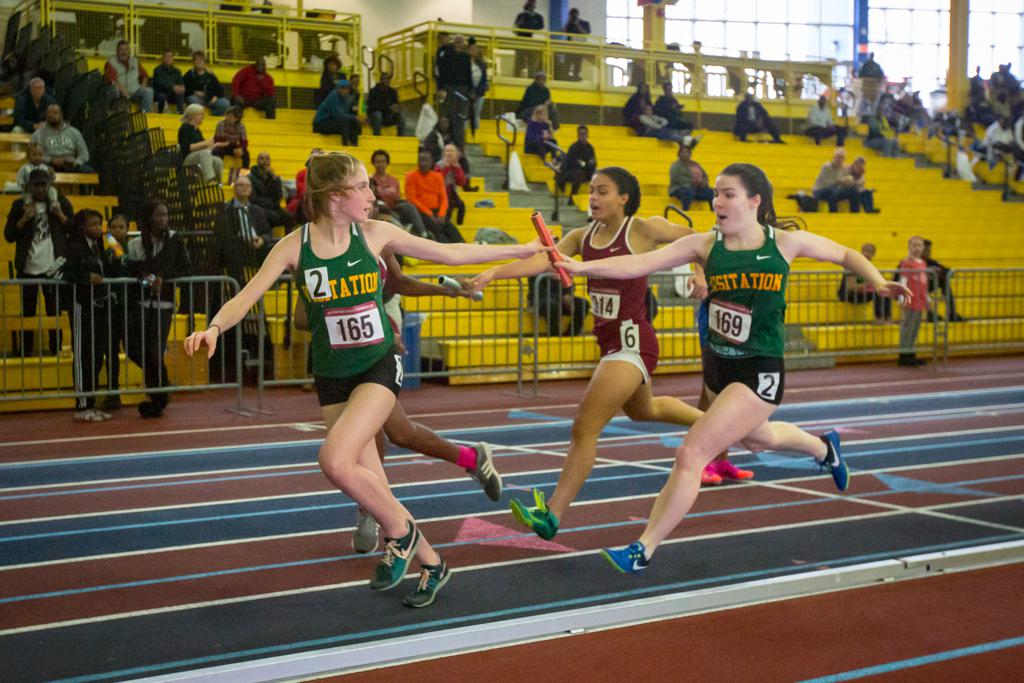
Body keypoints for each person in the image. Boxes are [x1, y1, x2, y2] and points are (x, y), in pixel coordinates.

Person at [183, 151, 542, 608]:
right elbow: (247, 296)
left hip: (377, 364)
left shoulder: (374, 234)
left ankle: (403, 536)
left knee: (334, 460)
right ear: (335, 197)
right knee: (375, 488)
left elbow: (451, 252)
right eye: (363, 187)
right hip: (332, 375)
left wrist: (520, 249)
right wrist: (213, 327)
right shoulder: (294, 246)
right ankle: (432, 562)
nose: (374, 195)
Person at [551, 163, 909, 572]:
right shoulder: (705, 245)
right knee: (758, 440)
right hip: (720, 366)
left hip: (760, 370)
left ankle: (643, 548)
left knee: (692, 453)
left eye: (728, 194)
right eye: (715, 194)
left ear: (754, 201)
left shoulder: (784, 244)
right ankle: (825, 449)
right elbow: (638, 265)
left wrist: (879, 282)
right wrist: (582, 267)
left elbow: (844, 253)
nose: (716, 201)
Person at [472, 167, 712, 540]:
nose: (593, 198)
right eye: (590, 191)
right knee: (643, 410)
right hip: (609, 343)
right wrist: (494, 274)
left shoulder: (642, 229)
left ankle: (552, 514)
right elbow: (541, 261)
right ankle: (720, 426)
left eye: (602, 191)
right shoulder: (581, 236)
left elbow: (699, 239)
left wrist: (700, 273)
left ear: (624, 198)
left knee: (584, 427)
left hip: (632, 342)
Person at [293, 247, 505, 553]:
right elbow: (300, 318)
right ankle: (472, 459)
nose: (367, 201)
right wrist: (330, 300)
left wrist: (444, 292)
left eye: (369, 198)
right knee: (400, 432)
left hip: (375, 348)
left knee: (379, 434)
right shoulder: (309, 248)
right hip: (338, 359)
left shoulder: (379, 236)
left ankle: (373, 511)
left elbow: (398, 283)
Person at [126, 198, 192, 417]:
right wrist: (148, 279)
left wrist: (164, 278)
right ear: (149, 217)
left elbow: (184, 269)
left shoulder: (175, 240)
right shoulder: (135, 243)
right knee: (136, 349)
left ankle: (158, 397)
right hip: (140, 303)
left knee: (154, 350)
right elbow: (132, 271)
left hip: (164, 303)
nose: (163, 219)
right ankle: (161, 386)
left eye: (165, 214)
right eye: (158, 215)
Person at [4, 169, 72, 356]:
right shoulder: (19, 205)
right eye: (37, 185)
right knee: (27, 311)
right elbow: (9, 235)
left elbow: (74, 229)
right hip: (27, 267)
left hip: (53, 267)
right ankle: (26, 351)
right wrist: (24, 219)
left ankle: (55, 349)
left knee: (54, 311)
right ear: (29, 186)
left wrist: (58, 214)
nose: (41, 189)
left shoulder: (60, 203)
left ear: (50, 185)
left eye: (44, 184)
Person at [63, 209, 119, 422]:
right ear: (81, 227)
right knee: (82, 356)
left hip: (99, 308)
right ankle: (81, 405)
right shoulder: (74, 247)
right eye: (94, 224)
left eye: (99, 224)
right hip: (80, 306)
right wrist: (85, 277)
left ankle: (91, 404)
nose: (99, 228)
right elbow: (60, 272)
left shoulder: (99, 247)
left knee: (95, 358)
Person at [102, 213, 130, 410]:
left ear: (128, 229)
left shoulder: (134, 249)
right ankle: (113, 391)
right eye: (114, 227)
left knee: (136, 349)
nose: (117, 230)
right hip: (111, 308)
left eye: (121, 227)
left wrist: (109, 239)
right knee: (110, 351)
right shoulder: (104, 252)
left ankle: (157, 386)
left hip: (130, 307)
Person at [404, 149, 463, 243]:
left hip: (437, 211)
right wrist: (429, 213)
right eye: (421, 160)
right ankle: (445, 247)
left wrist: (442, 213)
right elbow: (412, 199)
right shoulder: (411, 176)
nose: (423, 163)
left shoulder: (438, 176)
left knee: (451, 229)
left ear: (431, 162)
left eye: (426, 160)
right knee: (436, 228)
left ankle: (461, 244)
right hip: (420, 212)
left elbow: (443, 197)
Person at [368, 149, 428, 238]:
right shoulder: (371, 180)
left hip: (393, 205)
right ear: (373, 163)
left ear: (387, 163)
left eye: (383, 161)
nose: (380, 164)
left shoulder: (394, 180)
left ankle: (423, 234)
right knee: (394, 215)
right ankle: (402, 237)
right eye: (377, 161)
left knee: (410, 207)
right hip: (381, 208)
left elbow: (397, 197)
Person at [838, 242, 892, 323]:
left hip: (862, 292)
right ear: (861, 251)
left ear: (873, 254)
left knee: (885, 291)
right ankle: (879, 317)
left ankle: (887, 317)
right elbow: (851, 287)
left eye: (870, 252)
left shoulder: (869, 267)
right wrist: (868, 285)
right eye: (865, 251)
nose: (867, 253)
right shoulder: (852, 265)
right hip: (848, 294)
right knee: (876, 293)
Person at [897, 236, 929, 367]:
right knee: (907, 328)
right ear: (909, 247)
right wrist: (901, 298)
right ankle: (904, 355)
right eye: (914, 245)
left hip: (920, 300)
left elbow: (924, 282)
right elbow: (903, 281)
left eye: (919, 245)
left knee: (915, 328)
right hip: (910, 300)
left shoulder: (922, 262)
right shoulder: (906, 262)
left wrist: (927, 298)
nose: (917, 248)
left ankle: (911, 352)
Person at [31, 104, 92, 173]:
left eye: (55, 113)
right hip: (49, 165)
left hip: (72, 165)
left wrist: (76, 162)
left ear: (61, 115)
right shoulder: (38, 134)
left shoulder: (74, 132)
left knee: (89, 171)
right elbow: (33, 156)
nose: (51, 115)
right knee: (39, 170)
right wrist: (51, 160)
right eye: (48, 113)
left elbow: (84, 153)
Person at [178, 103, 228, 183]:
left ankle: (218, 182)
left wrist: (216, 144)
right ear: (193, 115)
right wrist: (205, 143)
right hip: (187, 158)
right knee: (205, 154)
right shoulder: (185, 128)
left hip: (198, 156)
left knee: (217, 160)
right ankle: (209, 179)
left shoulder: (197, 131)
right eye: (200, 114)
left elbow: (205, 149)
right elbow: (186, 148)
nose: (203, 116)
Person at [922, 239, 966, 323]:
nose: (928, 252)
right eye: (926, 250)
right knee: (919, 286)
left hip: (926, 286)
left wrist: (939, 273)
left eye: (929, 250)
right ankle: (930, 314)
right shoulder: (911, 262)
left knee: (944, 281)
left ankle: (951, 313)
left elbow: (948, 271)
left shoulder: (932, 262)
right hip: (913, 289)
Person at [104, 40, 154, 113]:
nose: (123, 52)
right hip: (120, 92)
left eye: (126, 49)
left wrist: (143, 84)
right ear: (117, 51)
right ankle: (116, 116)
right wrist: (124, 92)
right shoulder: (110, 63)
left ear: (128, 51)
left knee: (149, 91)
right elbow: (113, 81)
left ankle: (144, 116)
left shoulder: (135, 61)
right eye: (121, 50)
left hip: (135, 91)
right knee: (114, 90)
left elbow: (145, 75)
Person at [249, 152, 293, 229]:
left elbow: (279, 196)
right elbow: (253, 198)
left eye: (267, 159)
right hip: (258, 207)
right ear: (257, 161)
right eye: (262, 158)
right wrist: (269, 203)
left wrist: (275, 180)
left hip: (273, 206)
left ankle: (288, 239)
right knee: (273, 216)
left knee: (288, 216)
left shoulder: (274, 177)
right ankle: (268, 238)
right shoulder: (251, 177)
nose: (265, 161)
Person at [812, 147, 860, 213]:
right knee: (832, 190)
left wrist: (850, 181)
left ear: (844, 159)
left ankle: (855, 213)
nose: (839, 159)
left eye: (842, 158)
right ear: (833, 157)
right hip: (820, 191)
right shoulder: (826, 167)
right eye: (837, 157)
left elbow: (846, 182)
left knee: (854, 189)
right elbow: (828, 184)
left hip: (835, 192)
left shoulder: (845, 168)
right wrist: (842, 181)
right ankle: (834, 213)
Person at [313, 79, 360, 146]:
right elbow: (338, 115)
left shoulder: (344, 98)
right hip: (321, 123)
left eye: (346, 89)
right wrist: (355, 117)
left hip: (331, 121)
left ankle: (354, 144)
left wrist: (355, 118)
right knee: (345, 122)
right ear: (338, 88)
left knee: (353, 123)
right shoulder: (333, 96)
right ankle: (345, 145)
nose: (344, 91)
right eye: (342, 88)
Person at [668, 141, 713, 211]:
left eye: (687, 152)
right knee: (688, 191)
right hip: (679, 188)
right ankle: (685, 212)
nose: (685, 154)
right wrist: (691, 182)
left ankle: (714, 213)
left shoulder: (696, 164)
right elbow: (676, 178)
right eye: (683, 152)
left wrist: (703, 182)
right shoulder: (676, 165)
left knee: (710, 192)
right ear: (679, 154)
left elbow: (705, 175)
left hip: (696, 189)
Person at [557, 124, 597, 202]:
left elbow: (593, 162)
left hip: (586, 172)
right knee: (579, 174)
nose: (583, 136)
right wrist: (585, 164)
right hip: (571, 172)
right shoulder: (573, 147)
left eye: (584, 133)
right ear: (578, 135)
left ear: (587, 134)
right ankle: (571, 198)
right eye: (581, 134)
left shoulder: (590, 148)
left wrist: (585, 164)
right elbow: (572, 162)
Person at [184, 51, 230, 116]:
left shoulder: (210, 75)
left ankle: (212, 115)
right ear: (193, 62)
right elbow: (185, 89)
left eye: (201, 60)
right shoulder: (189, 75)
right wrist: (194, 92)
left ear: (204, 62)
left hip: (210, 99)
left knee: (225, 103)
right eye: (197, 60)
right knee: (192, 99)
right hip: (197, 99)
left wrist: (216, 97)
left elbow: (219, 90)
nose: (199, 62)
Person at [212, 106, 250, 182]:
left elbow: (244, 141)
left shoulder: (241, 126)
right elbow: (220, 140)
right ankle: (216, 175)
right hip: (221, 145)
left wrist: (240, 149)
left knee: (246, 154)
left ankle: (244, 175)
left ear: (237, 118)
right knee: (216, 151)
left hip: (233, 145)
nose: (229, 117)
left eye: (231, 116)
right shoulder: (220, 124)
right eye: (227, 115)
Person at [367, 72, 405, 137]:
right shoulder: (374, 91)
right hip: (375, 116)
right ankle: (377, 135)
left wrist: (397, 108)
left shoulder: (393, 92)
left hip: (388, 116)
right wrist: (388, 107)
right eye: (384, 79)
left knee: (400, 117)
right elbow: (372, 107)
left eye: (388, 79)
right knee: (378, 114)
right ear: (381, 80)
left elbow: (396, 103)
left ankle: (400, 136)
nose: (386, 81)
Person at [513, 1, 544, 78]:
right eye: (530, 3)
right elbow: (515, 28)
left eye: (533, 3)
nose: (532, 5)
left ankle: (531, 77)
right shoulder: (521, 15)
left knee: (532, 62)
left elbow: (541, 28)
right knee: (519, 61)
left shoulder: (538, 17)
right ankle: (516, 77)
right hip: (521, 40)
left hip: (532, 42)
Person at [560, 8, 590, 81]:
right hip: (569, 48)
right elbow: (562, 32)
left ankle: (576, 77)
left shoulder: (584, 23)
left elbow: (586, 33)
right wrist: (568, 22)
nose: (573, 16)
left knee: (577, 65)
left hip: (579, 48)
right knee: (567, 64)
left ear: (578, 15)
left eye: (574, 15)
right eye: (571, 15)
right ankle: (566, 77)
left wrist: (578, 25)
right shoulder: (569, 24)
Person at [152, 49, 186, 115]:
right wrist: (173, 87)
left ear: (173, 58)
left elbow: (180, 83)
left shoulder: (177, 71)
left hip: (172, 94)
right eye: (166, 56)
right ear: (163, 58)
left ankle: (180, 113)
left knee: (180, 93)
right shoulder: (157, 70)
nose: (168, 58)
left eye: (170, 56)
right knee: (162, 96)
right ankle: (160, 114)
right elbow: (160, 83)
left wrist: (181, 88)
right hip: (160, 92)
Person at [468, 40, 489, 133]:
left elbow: (484, 80)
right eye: (471, 49)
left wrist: (478, 92)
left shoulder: (482, 64)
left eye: (475, 49)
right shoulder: (464, 63)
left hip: (479, 94)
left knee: (476, 114)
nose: (473, 51)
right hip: (467, 92)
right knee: (465, 114)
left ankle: (476, 134)